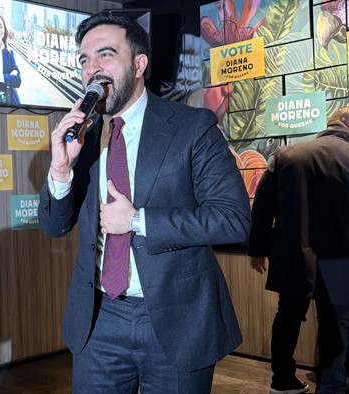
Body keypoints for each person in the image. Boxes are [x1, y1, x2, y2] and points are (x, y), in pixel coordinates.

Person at [38, 12, 250, 393]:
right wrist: (60, 170)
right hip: (98, 321)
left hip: (177, 320)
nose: (92, 69)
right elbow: (55, 226)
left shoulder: (192, 127)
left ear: (139, 64)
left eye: (105, 55)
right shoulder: (78, 138)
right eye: (84, 60)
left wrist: (138, 221)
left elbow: (233, 219)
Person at [248, 106, 349, 394]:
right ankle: (330, 388)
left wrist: (257, 248)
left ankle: (282, 380)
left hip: (293, 257)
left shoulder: (286, 156)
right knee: (336, 325)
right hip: (345, 261)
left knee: (288, 316)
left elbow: (262, 208)